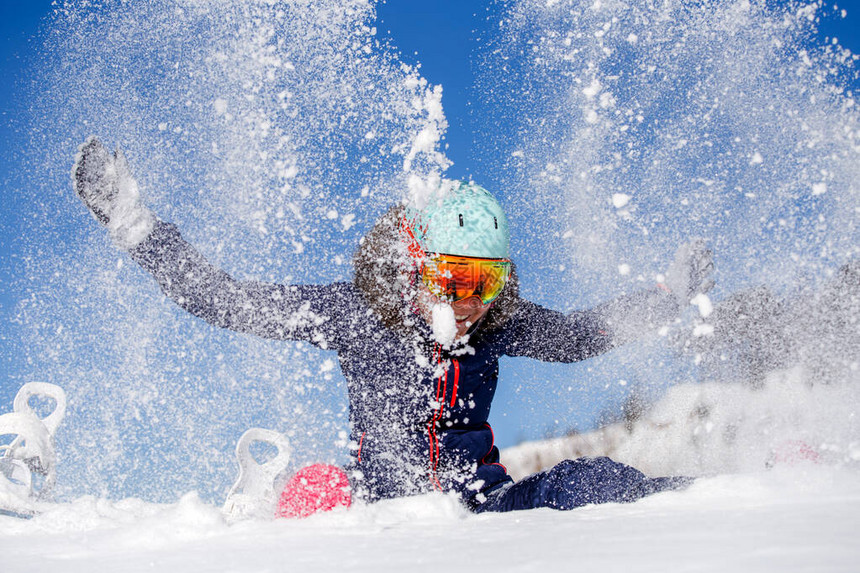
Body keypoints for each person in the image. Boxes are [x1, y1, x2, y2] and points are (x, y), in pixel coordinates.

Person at [72, 137, 714, 513]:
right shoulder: (358, 315)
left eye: (485, 283)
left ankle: (727, 502)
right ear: (417, 266)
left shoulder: (494, 326)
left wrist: (671, 295)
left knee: (591, 477)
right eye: (454, 279)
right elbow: (225, 300)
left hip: (481, 509)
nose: (468, 302)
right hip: (386, 518)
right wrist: (133, 225)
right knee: (318, 491)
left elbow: (579, 336)